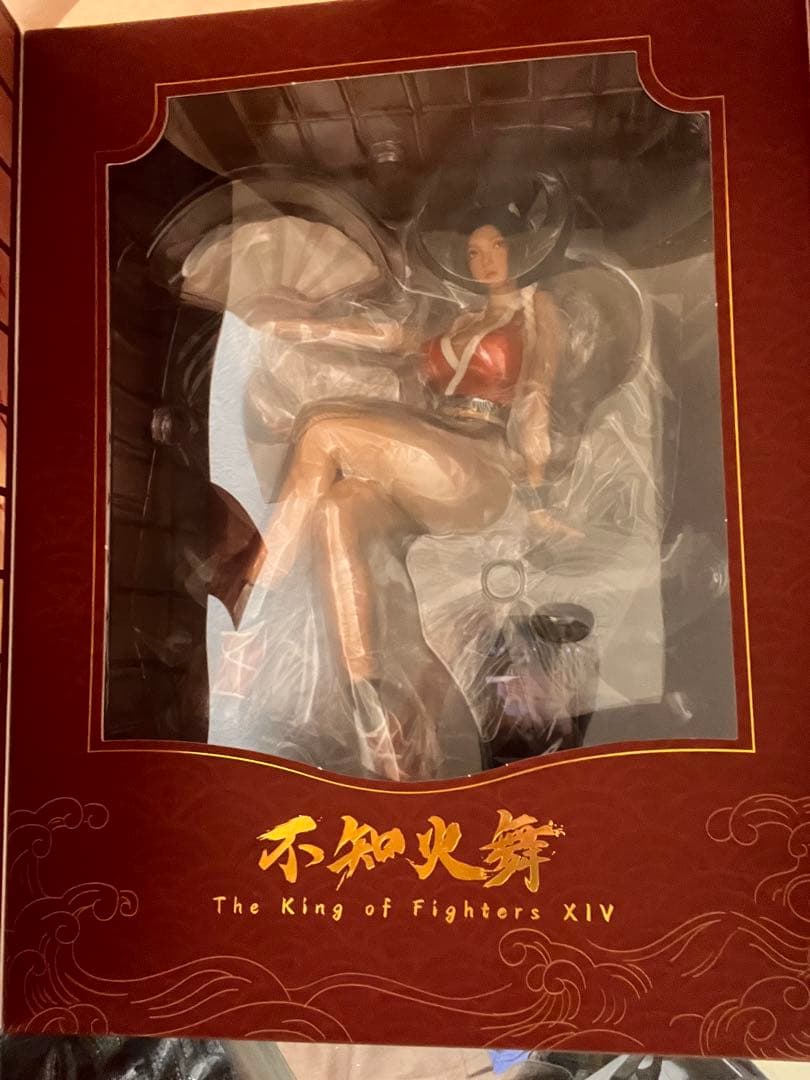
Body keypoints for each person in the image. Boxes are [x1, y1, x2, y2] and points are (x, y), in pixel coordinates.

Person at [226, 205, 566, 782]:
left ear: (520, 249)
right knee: (336, 510)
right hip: (430, 465)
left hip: (479, 468)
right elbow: (390, 339)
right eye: (474, 251)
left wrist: (538, 502)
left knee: (324, 430)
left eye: (496, 247)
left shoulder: (537, 308)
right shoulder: (459, 319)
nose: (484, 261)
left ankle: (247, 617)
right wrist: (295, 325)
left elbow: (536, 397)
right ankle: (373, 715)